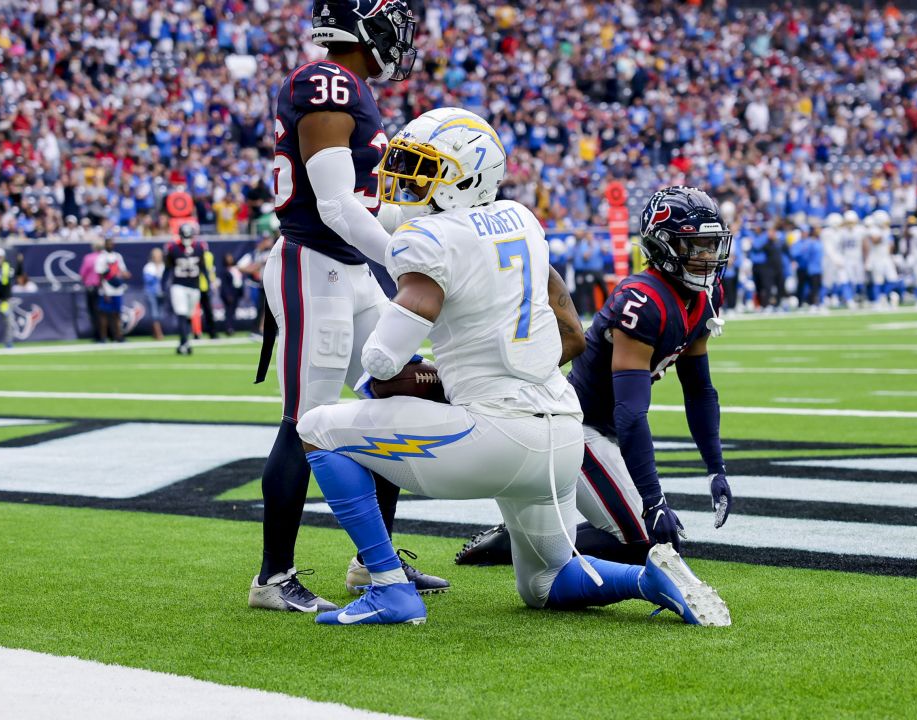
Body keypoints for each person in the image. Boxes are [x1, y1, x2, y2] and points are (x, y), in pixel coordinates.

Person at [296, 113, 730, 626]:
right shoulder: (522, 219)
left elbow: (383, 359)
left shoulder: (431, 238)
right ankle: (645, 580)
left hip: (493, 436)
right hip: (561, 435)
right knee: (544, 583)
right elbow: (565, 319)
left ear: (466, 176)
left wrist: (409, 371)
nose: (408, 179)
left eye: (422, 168)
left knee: (317, 428)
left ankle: (388, 586)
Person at [247, 0, 446, 613]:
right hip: (314, 264)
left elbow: (363, 203)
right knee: (305, 421)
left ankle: (373, 562)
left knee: (396, 397)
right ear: (367, 29)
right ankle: (272, 578)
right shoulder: (325, 82)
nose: (402, 42)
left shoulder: (352, 88)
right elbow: (334, 205)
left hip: (351, 268)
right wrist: (406, 261)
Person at [454, 187, 735, 571]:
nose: (707, 257)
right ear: (663, 246)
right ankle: (516, 542)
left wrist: (715, 468)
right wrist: (653, 498)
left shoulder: (704, 295)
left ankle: (543, 530)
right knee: (647, 540)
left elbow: (699, 390)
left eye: (711, 245)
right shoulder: (643, 300)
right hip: (574, 426)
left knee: (661, 537)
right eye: (696, 246)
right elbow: (630, 412)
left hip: (607, 430)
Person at [163, 223, 205, 355]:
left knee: (188, 315)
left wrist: (209, 282)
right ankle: (185, 342)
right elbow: (168, 268)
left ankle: (183, 342)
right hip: (178, 285)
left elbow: (203, 267)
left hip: (194, 286)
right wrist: (163, 284)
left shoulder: (199, 248)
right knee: (181, 314)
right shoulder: (174, 249)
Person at [572, 229, 604, 317]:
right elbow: (585, 257)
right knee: (581, 293)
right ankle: (582, 313)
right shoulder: (582, 245)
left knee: (594, 291)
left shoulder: (596, 243)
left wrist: (600, 245)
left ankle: (594, 312)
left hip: (594, 271)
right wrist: (591, 248)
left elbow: (605, 252)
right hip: (582, 271)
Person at [79, 240, 103, 341]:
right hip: (105, 288)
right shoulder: (105, 257)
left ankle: (98, 335)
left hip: (92, 287)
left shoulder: (89, 258)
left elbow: (82, 273)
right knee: (106, 312)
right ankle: (109, 334)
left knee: (94, 312)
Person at [143, 247, 166, 341]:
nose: (158, 258)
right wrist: (157, 276)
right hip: (151, 293)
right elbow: (148, 280)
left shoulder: (164, 266)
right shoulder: (149, 267)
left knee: (160, 314)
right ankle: (158, 333)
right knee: (154, 313)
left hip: (162, 293)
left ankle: (154, 333)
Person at [219, 253, 243, 336]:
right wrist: (228, 294)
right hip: (229, 294)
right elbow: (224, 284)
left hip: (236, 292)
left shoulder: (236, 268)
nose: (230, 259)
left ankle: (232, 327)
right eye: (228, 258)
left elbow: (239, 280)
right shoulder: (224, 270)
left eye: (231, 257)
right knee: (229, 311)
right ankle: (229, 328)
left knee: (233, 311)